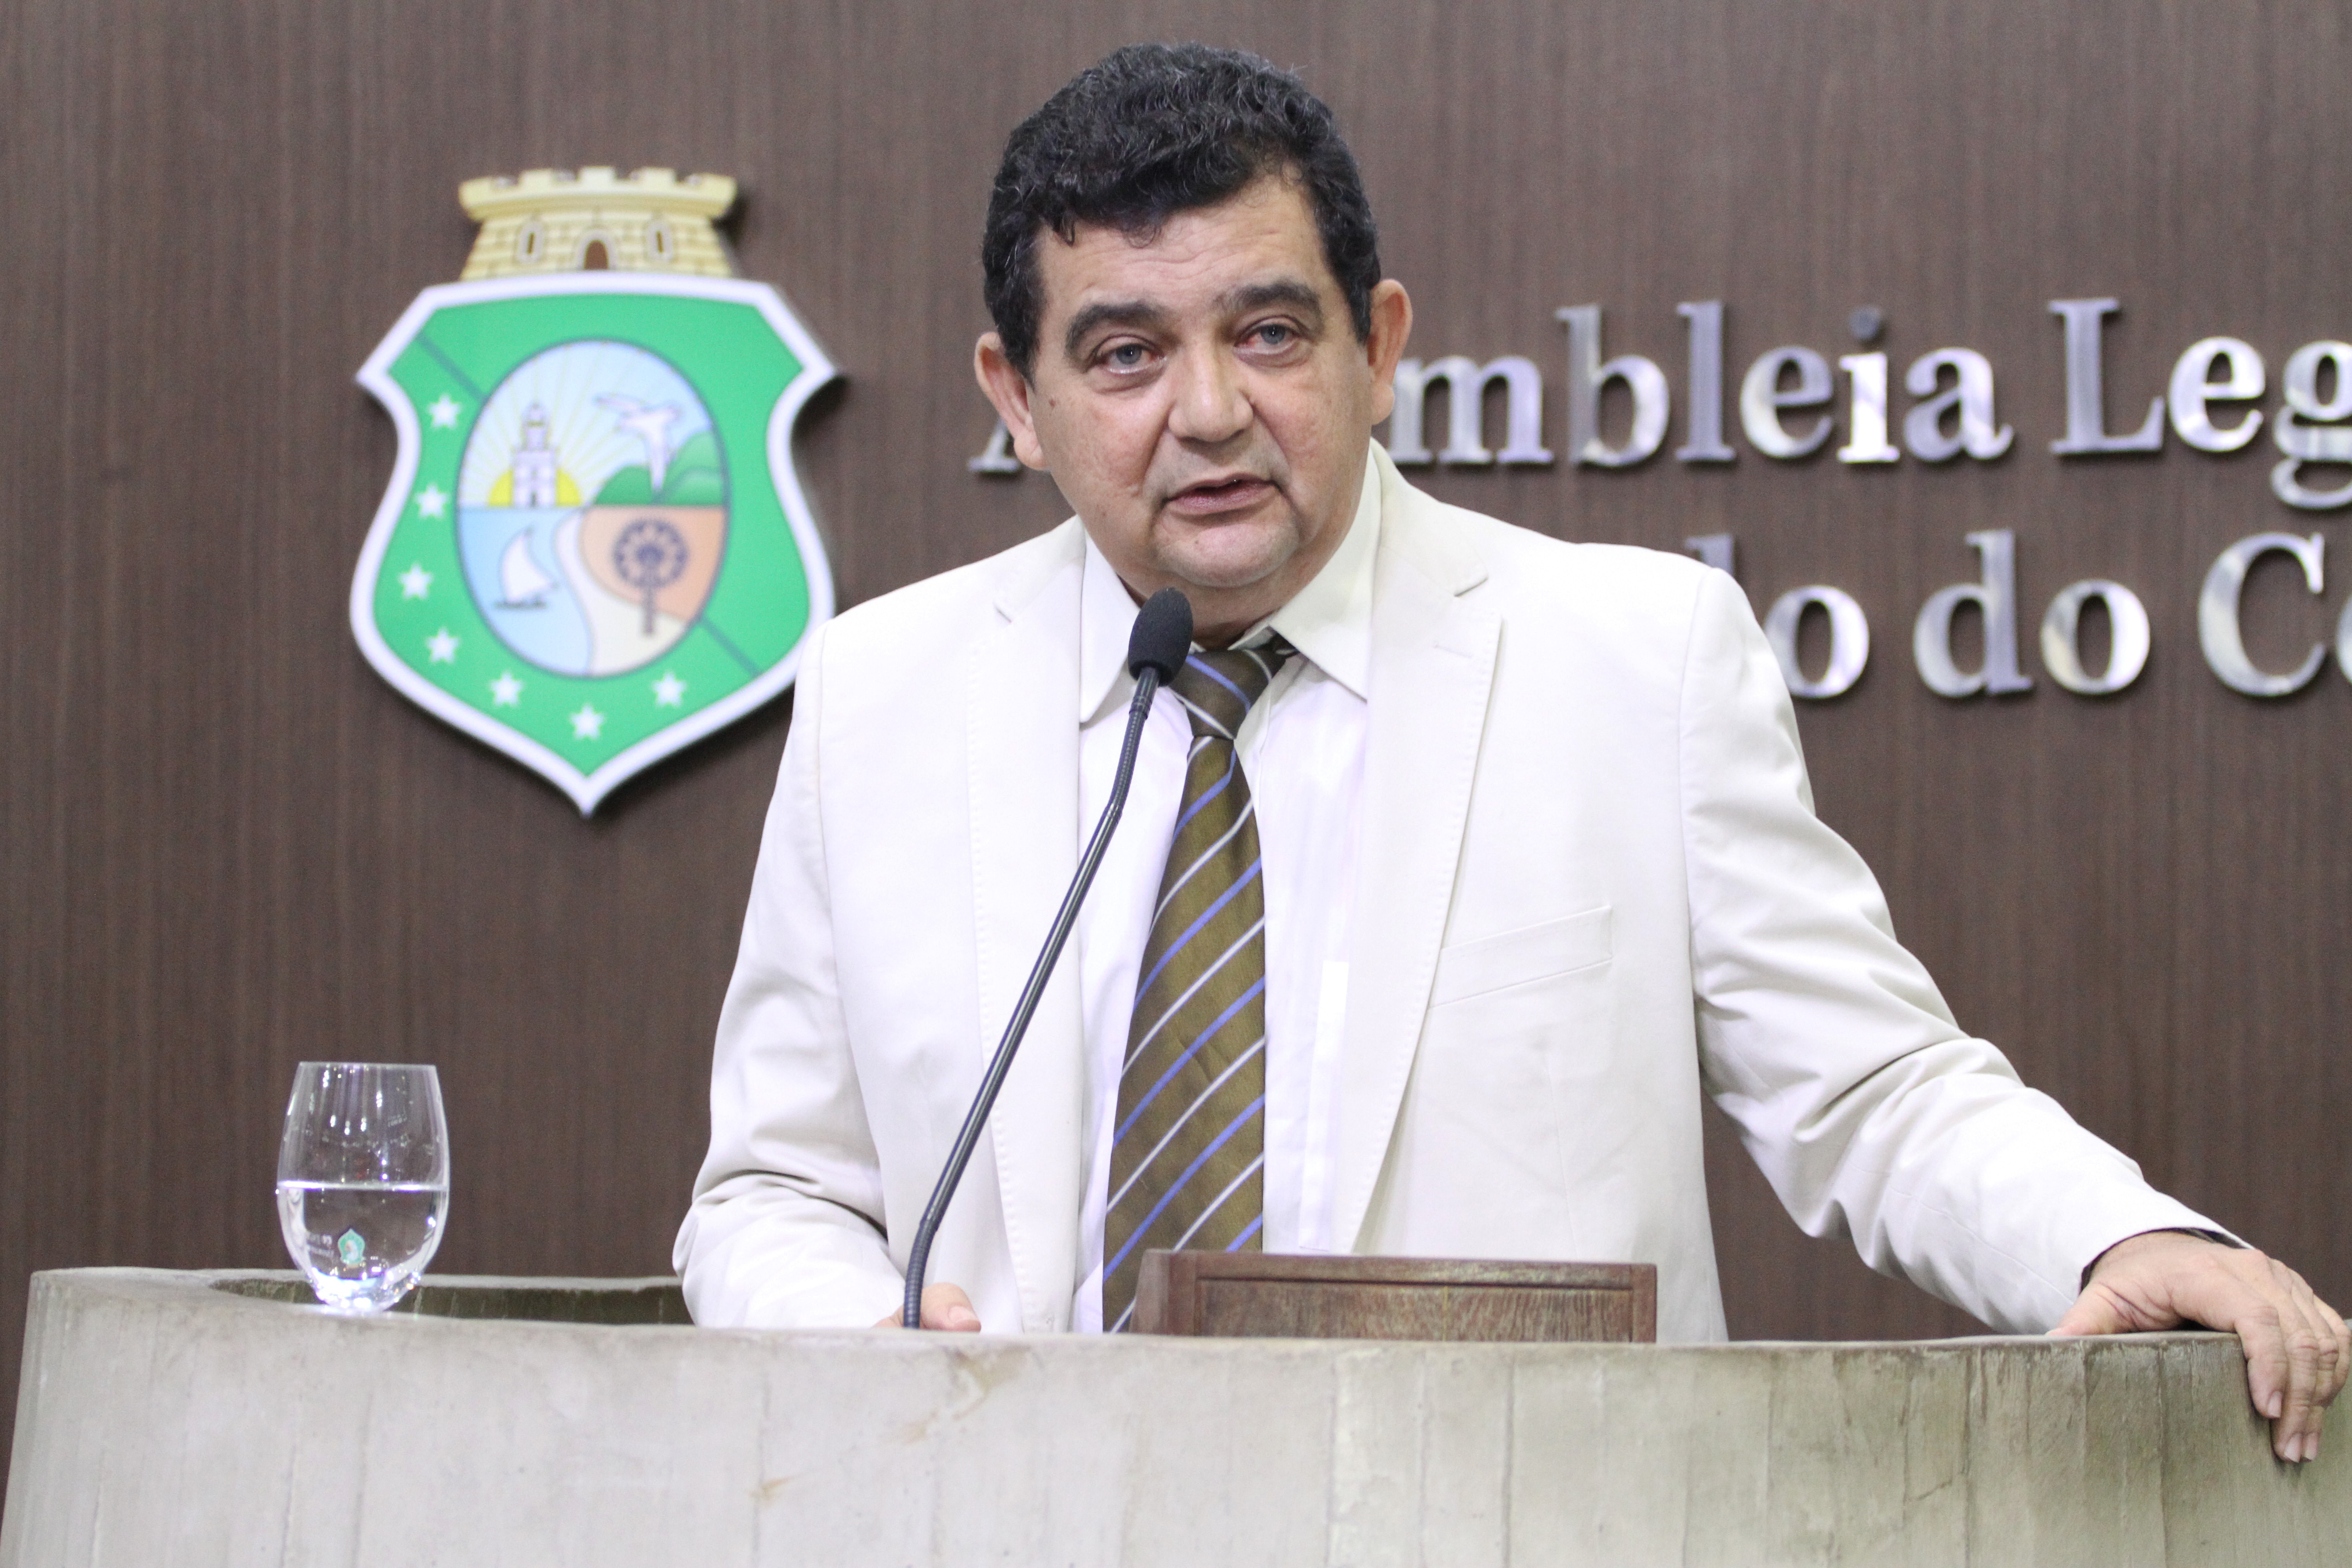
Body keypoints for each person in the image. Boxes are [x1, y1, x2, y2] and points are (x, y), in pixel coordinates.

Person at [676, 42, 2346, 1461]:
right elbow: (773, 1193)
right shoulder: (882, 696)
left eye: (1270, 334)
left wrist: (2117, 1232)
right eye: (1125, 355)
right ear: (1015, 399)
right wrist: (863, 1352)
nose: (1208, 412)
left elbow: (1870, 1091)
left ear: (1380, 346)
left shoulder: (1634, 658)